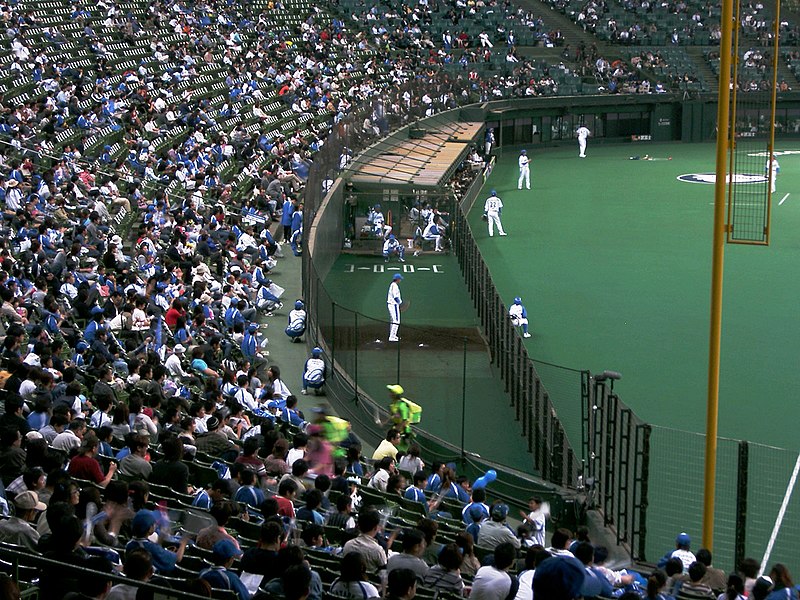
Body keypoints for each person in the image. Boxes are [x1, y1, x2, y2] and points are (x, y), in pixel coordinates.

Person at [387, 273, 403, 342]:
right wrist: (400, 303)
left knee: (393, 321)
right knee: (396, 321)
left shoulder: (393, 285)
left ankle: (393, 335)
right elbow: (395, 297)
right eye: (400, 279)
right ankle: (392, 337)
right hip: (394, 305)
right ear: (397, 279)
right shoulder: (395, 286)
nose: (400, 280)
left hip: (392, 305)